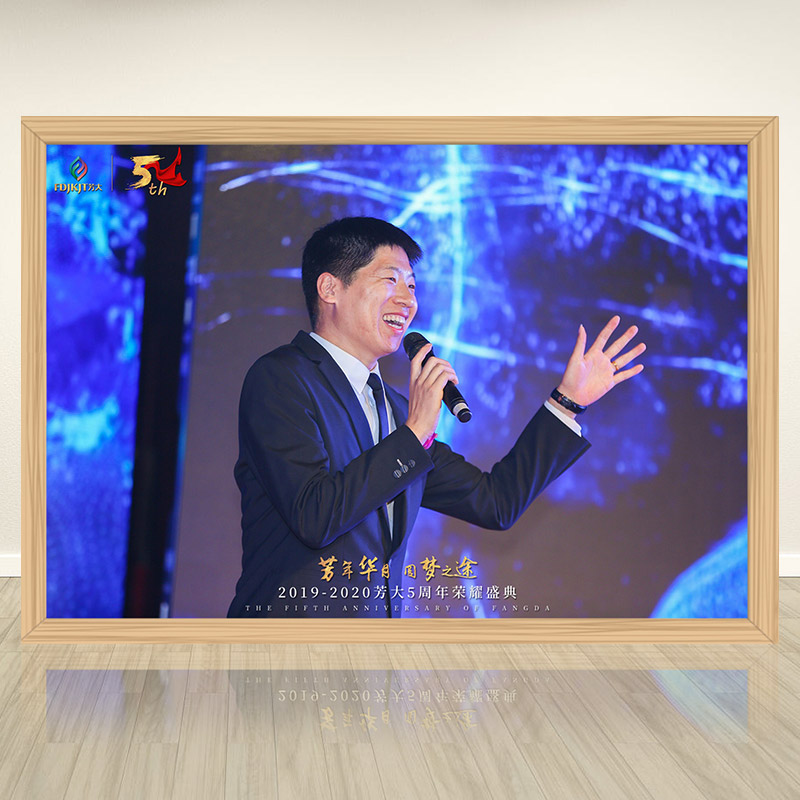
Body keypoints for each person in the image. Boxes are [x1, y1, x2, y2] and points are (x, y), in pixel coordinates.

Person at [227, 217, 645, 618]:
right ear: (330, 288)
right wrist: (415, 433)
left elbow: (495, 502)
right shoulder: (281, 378)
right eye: (390, 280)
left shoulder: (394, 411)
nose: (408, 301)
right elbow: (314, 516)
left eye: (412, 285)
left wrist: (567, 401)